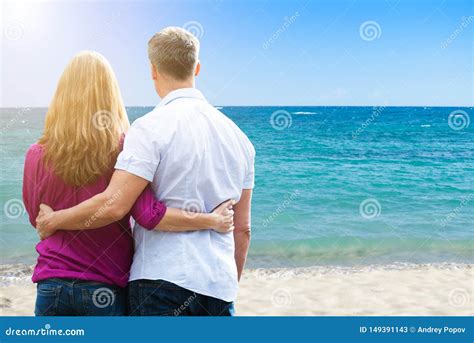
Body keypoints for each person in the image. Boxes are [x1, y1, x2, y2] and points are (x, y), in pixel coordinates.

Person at [36, 27, 255, 316]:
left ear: (153, 70)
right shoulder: (240, 139)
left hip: (160, 284)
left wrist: (53, 220)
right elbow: (243, 229)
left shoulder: (149, 128)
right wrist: (228, 285)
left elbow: (115, 204)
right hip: (219, 287)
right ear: (197, 68)